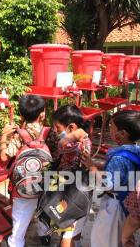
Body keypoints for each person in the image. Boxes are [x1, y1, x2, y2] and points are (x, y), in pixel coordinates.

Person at [81, 110, 140, 247]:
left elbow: (108, 184)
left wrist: (92, 167)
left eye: (111, 126)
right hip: (128, 203)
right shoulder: (136, 150)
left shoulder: (119, 158)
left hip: (115, 206)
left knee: (105, 240)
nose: (109, 129)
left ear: (123, 133)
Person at [0, 95, 54, 247]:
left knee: (21, 215)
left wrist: (4, 137)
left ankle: (16, 242)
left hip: (24, 187)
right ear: (42, 114)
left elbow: (3, 159)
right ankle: (45, 235)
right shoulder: (50, 133)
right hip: (47, 183)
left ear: (21, 115)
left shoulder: (19, 136)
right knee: (45, 209)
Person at [39, 105, 91, 247]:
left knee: (66, 231)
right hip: (79, 189)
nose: (55, 131)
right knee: (72, 227)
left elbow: (61, 144)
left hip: (67, 191)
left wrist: (73, 136)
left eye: (58, 127)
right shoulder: (86, 141)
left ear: (72, 127)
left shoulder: (72, 145)